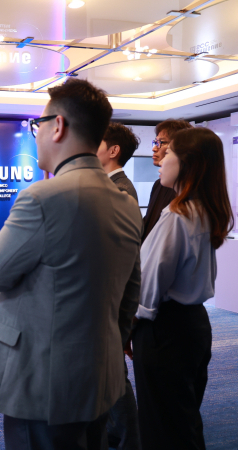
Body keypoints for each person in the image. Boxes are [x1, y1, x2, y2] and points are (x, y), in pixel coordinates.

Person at [0, 78, 142, 450]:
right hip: (101, 375)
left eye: (38, 125)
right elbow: (130, 291)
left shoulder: (42, 198)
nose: (36, 135)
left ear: (57, 126)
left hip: (41, 382)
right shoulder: (126, 203)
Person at [132, 127, 234, 450]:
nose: (160, 158)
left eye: (169, 152)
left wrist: (128, 326)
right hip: (191, 326)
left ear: (188, 163)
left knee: (162, 428)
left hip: (164, 332)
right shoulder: (201, 209)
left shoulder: (178, 215)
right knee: (182, 422)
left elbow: (148, 286)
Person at [96, 122, 142, 450]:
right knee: (109, 373)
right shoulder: (109, 186)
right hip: (110, 294)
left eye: (97, 142)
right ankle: (117, 433)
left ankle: (129, 439)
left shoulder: (121, 190)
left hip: (114, 295)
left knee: (114, 374)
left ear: (113, 151)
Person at [142, 119, 192, 242]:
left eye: (161, 143)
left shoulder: (187, 191)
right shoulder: (159, 184)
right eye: (155, 142)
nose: (154, 148)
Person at [97, 122, 139, 202]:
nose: (91, 149)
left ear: (114, 151)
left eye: (97, 144)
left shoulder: (119, 189)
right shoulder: (113, 184)